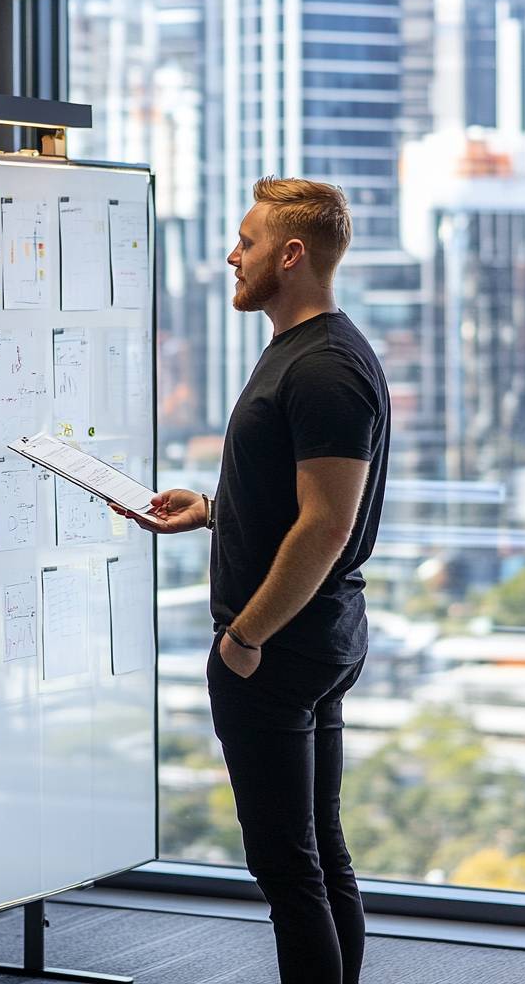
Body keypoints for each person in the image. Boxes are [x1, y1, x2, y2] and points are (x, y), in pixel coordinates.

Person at [119, 177, 391, 984]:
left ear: (292, 254)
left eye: (247, 241)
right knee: (314, 850)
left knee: (289, 869)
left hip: (281, 648)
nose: (232, 255)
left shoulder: (326, 369)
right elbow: (292, 500)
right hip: (310, 637)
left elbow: (326, 524)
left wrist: (245, 638)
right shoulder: (304, 353)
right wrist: (210, 509)